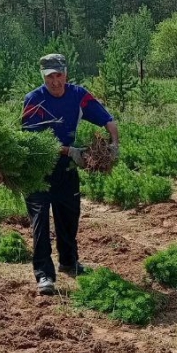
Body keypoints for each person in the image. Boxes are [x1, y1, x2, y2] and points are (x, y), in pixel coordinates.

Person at [21, 53, 119, 295]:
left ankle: (69, 261)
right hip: (38, 171)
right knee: (41, 221)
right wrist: (68, 150)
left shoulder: (78, 96)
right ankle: (44, 274)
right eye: (50, 77)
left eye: (59, 75)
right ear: (43, 76)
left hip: (66, 170)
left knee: (69, 216)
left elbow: (107, 118)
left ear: (66, 73)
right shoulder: (34, 100)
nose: (55, 81)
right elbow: (33, 143)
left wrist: (114, 142)